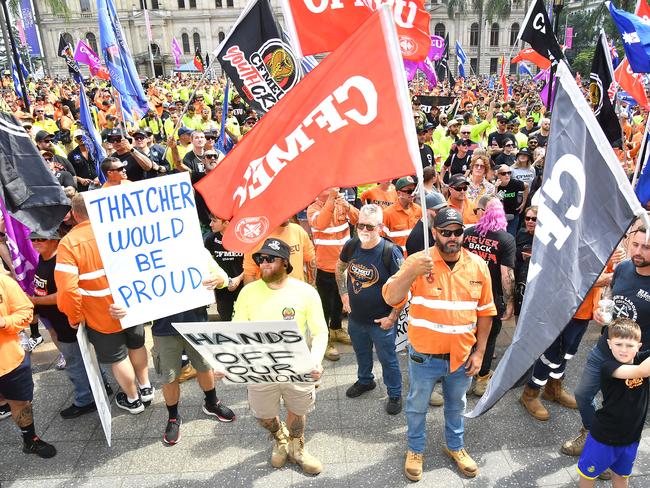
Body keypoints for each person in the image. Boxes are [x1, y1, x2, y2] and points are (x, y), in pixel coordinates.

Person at [383, 207, 496, 480]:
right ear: (434, 233)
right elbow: (391, 297)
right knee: (417, 405)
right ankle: (415, 449)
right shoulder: (419, 262)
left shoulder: (478, 265)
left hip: (461, 356)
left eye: (458, 232)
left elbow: (486, 313)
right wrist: (410, 272)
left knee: (457, 405)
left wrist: (480, 353)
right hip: (424, 356)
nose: (452, 237)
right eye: (446, 232)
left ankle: (455, 446)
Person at [110, 253, 236, 445]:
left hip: (196, 323)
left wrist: (218, 279)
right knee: (169, 376)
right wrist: (121, 309)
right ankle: (173, 417)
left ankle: (212, 403)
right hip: (164, 329)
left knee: (204, 366)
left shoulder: (191, 247)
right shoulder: (143, 254)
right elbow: (131, 290)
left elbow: (222, 277)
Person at [233, 238, 327, 475]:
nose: (263, 264)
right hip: (260, 369)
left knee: (298, 410)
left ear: (285, 262)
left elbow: (320, 331)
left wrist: (315, 360)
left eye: (269, 259)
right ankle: (280, 437)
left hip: (297, 367)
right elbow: (237, 332)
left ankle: (297, 447)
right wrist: (228, 361)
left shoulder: (306, 292)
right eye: (260, 259)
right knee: (264, 415)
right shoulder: (247, 292)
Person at [55, 194, 154, 414]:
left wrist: (74, 316)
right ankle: (146, 387)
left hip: (100, 313)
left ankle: (133, 399)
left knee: (118, 357)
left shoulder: (69, 243)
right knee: (137, 345)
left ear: (74, 214)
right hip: (132, 302)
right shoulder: (118, 230)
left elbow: (68, 290)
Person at [561, 222, 650, 458]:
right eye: (636, 245)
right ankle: (591, 432)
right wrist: (603, 313)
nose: (639, 251)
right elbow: (611, 295)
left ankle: (609, 453)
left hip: (637, 361)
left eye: (647, 247)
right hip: (604, 349)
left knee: (621, 411)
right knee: (582, 394)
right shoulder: (624, 268)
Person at [29, 229, 108, 419]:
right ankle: (102, 386)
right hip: (59, 321)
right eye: (33, 239)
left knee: (74, 362)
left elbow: (62, 295)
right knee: (84, 357)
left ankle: (85, 399)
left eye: (42, 239)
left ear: (55, 240)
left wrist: (34, 301)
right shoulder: (44, 258)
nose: (36, 242)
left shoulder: (58, 263)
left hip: (67, 321)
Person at [335, 204, 404, 414]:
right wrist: (344, 295)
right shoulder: (352, 245)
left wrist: (392, 317)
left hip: (381, 321)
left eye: (370, 227)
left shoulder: (390, 251)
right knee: (361, 353)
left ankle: (394, 393)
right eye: (360, 225)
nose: (364, 230)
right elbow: (339, 268)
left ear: (381, 227)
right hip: (356, 318)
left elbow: (404, 288)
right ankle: (365, 381)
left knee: (388, 359)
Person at [576, 318, 650, 487]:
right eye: (618, 344)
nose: (623, 350)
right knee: (588, 475)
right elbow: (642, 371)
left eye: (630, 345)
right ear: (609, 344)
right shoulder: (608, 367)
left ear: (638, 346)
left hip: (631, 437)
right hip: (604, 436)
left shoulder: (640, 358)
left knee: (622, 477)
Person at [462, 197, 515, 396]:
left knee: (465, 336)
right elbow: (506, 275)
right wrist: (510, 302)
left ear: (481, 212)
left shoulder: (467, 234)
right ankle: (481, 379)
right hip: (489, 300)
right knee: (488, 338)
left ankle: (462, 376)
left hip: (464, 297)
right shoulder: (505, 239)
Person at [0, 273, 56, 458]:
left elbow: (26, 311)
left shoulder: (3, 282)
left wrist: (4, 322)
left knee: (21, 402)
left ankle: (30, 439)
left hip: (9, 361)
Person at [308, 188, 358, 362]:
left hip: (343, 266)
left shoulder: (340, 204)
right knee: (324, 306)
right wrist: (331, 200)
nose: (335, 190)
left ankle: (336, 329)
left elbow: (358, 220)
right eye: (330, 189)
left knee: (339, 301)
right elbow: (320, 224)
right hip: (324, 267)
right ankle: (324, 339)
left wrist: (348, 207)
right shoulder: (312, 209)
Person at [242, 221, 316, 285]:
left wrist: (311, 287)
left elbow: (310, 259)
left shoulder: (298, 230)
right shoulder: (257, 237)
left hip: (296, 293)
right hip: (268, 294)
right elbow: (249, 273)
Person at [204, 215, 244, 321]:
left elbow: (252, 265)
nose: (210, 224)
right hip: (222, 288)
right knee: (225, 316)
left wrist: (239, 278)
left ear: (226, 223)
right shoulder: (210, 239)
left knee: (244, 318)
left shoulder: (243, 237)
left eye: (214, 221)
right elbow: (208, 264)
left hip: (242, 284)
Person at [383, 176, 422, 253]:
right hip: (397, 258)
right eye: (409, 191)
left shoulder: (419, 210)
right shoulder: (387, 213)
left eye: (414, 190)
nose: (413, 194)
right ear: (398, 193)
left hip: (415, 257)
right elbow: (382, 239)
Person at [405, 192, 447, 257]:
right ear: (426, 210)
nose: (442, 214)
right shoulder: (417, 236)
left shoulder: (440, 226)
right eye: (438, 210)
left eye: (444, 209)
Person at [494, 164, 529, 236]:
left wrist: (523, 203)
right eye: (503, 173)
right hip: (499, 216)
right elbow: (496, 202)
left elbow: (527, 186)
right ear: (498, 175)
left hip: (513, 215)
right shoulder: (495, 185)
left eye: (509, 173)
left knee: (511, 237)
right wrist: (496, 188)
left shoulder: (514, 183)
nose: (507, 175)